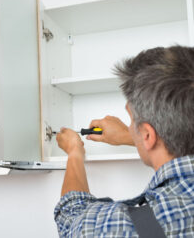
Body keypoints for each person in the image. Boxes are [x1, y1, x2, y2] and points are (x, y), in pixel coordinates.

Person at [54, 46, 194, 237]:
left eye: (131, 120)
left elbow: (70, 217)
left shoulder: (121, 227)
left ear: (148, 136)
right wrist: (134, 136)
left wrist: (74, 151)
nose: (129, 126)